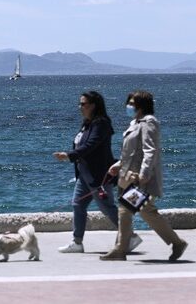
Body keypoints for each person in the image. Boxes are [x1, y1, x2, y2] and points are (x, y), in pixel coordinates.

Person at [100, 90, 188, 261]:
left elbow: (149, 150)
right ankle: (177, 243)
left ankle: (120, 250)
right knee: (148, 213)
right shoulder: (135, 123)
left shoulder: (149, 123)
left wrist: (144, 174)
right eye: (129, 103)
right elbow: (131, 153)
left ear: (142, 106)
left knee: (125, 210)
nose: (129, 106)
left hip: (140, 179)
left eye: (132, 103)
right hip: (128, 176)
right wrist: (117, 166)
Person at [53, 91, 142, 253]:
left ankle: (131, 235)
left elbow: (90, 146)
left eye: (83, 104)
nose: (80, 107)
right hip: (84, 174)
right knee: (78, 204)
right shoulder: (88, 123)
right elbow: (82, 145)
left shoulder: (101, 124)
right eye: (79, 104)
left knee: (107, 207)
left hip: (98, 175)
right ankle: (77, 242)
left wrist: (68, 155)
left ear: (93, 105)